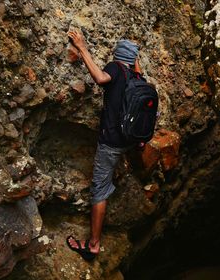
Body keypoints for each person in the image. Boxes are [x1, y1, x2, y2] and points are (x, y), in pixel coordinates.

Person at [66, 30, 142, 261]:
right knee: (108, 178)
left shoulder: (116, 69)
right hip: (129, 141)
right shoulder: (138, 78)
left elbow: (100, 79)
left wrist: (82, 48)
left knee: (99, 189)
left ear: (117, 55)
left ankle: (93, 245)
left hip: (110, 142)